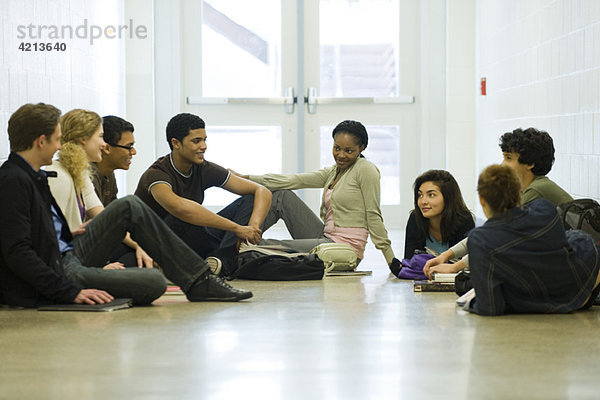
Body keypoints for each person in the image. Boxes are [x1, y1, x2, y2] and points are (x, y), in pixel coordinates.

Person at [0, 103, 252, 307]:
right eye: (56, 139)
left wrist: (66, 233)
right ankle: (199, 279)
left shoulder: (36, 176)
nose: (59, 146)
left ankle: (200, 281)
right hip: (59, 271)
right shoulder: (14, 180)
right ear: (41, 141)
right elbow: (16, 251)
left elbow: (41, 233)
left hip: (65, 255)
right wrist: (66, 291)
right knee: (153, 281)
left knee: (130, 206)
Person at [236, 120, 400, 270]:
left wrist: (391, 260)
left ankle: (238, 248)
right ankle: (244, 239)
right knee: (281, 196)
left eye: (348, 151)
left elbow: (373, 215)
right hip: (325, 236)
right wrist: (248, 179)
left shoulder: (366, 170)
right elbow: (294, 180)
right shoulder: (335, 171)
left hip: (342, 249)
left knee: (268, 246)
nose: (341, 155)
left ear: (362, 148)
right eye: (337, 148)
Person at [424, 127, 574, 278]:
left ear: (530, 164)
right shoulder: (527, 190)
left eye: (508, 158)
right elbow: (494, 232)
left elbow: (500, 237)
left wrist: (455, 266)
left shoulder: (536, 190)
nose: (502, 164)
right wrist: (446, 256)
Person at [135, 113, 272, 276]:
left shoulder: (203, 168)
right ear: (176, 143)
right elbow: (180, 208)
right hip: (160, 241)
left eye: (204, 139)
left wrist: (252, 227)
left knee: (249, 200)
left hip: (194, 238)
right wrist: (237, 228)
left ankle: (219, 260)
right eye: (196, 141)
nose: (204, 146)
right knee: (183, 216)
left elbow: (261, 190)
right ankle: (227, 260)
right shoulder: (157, 174)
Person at [464, 164, 600, 315]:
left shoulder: (479, 239)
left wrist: (469, 303)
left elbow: (489, 307)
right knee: (580, 239)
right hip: (570, 286)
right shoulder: (545, 209)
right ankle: (580, 292)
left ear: (482, 199)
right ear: (519, 193)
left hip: (526, 299)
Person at [45, 109, 151, 269]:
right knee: (130, 204)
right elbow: (53, 242)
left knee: (149, 276)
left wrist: (140, 245)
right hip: (69, 266)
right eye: (100, 137)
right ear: (83, 140)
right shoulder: (57, 176)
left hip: (77, 257)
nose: (103, 144)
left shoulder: (80, 173)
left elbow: (105, 219)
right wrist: (101, 268)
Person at [403, 170, 474, 259]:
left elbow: (470, 262)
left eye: (431, 195)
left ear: (448, 197)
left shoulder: (464, 219)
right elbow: (409, 260)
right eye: (420, 195)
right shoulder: (415, 218)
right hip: (423, 273)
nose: (423, 201)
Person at [90, 115, 135, 206]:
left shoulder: (109, 172)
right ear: (107, 148)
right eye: (128, 147)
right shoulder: (88, 175)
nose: (134, 152)